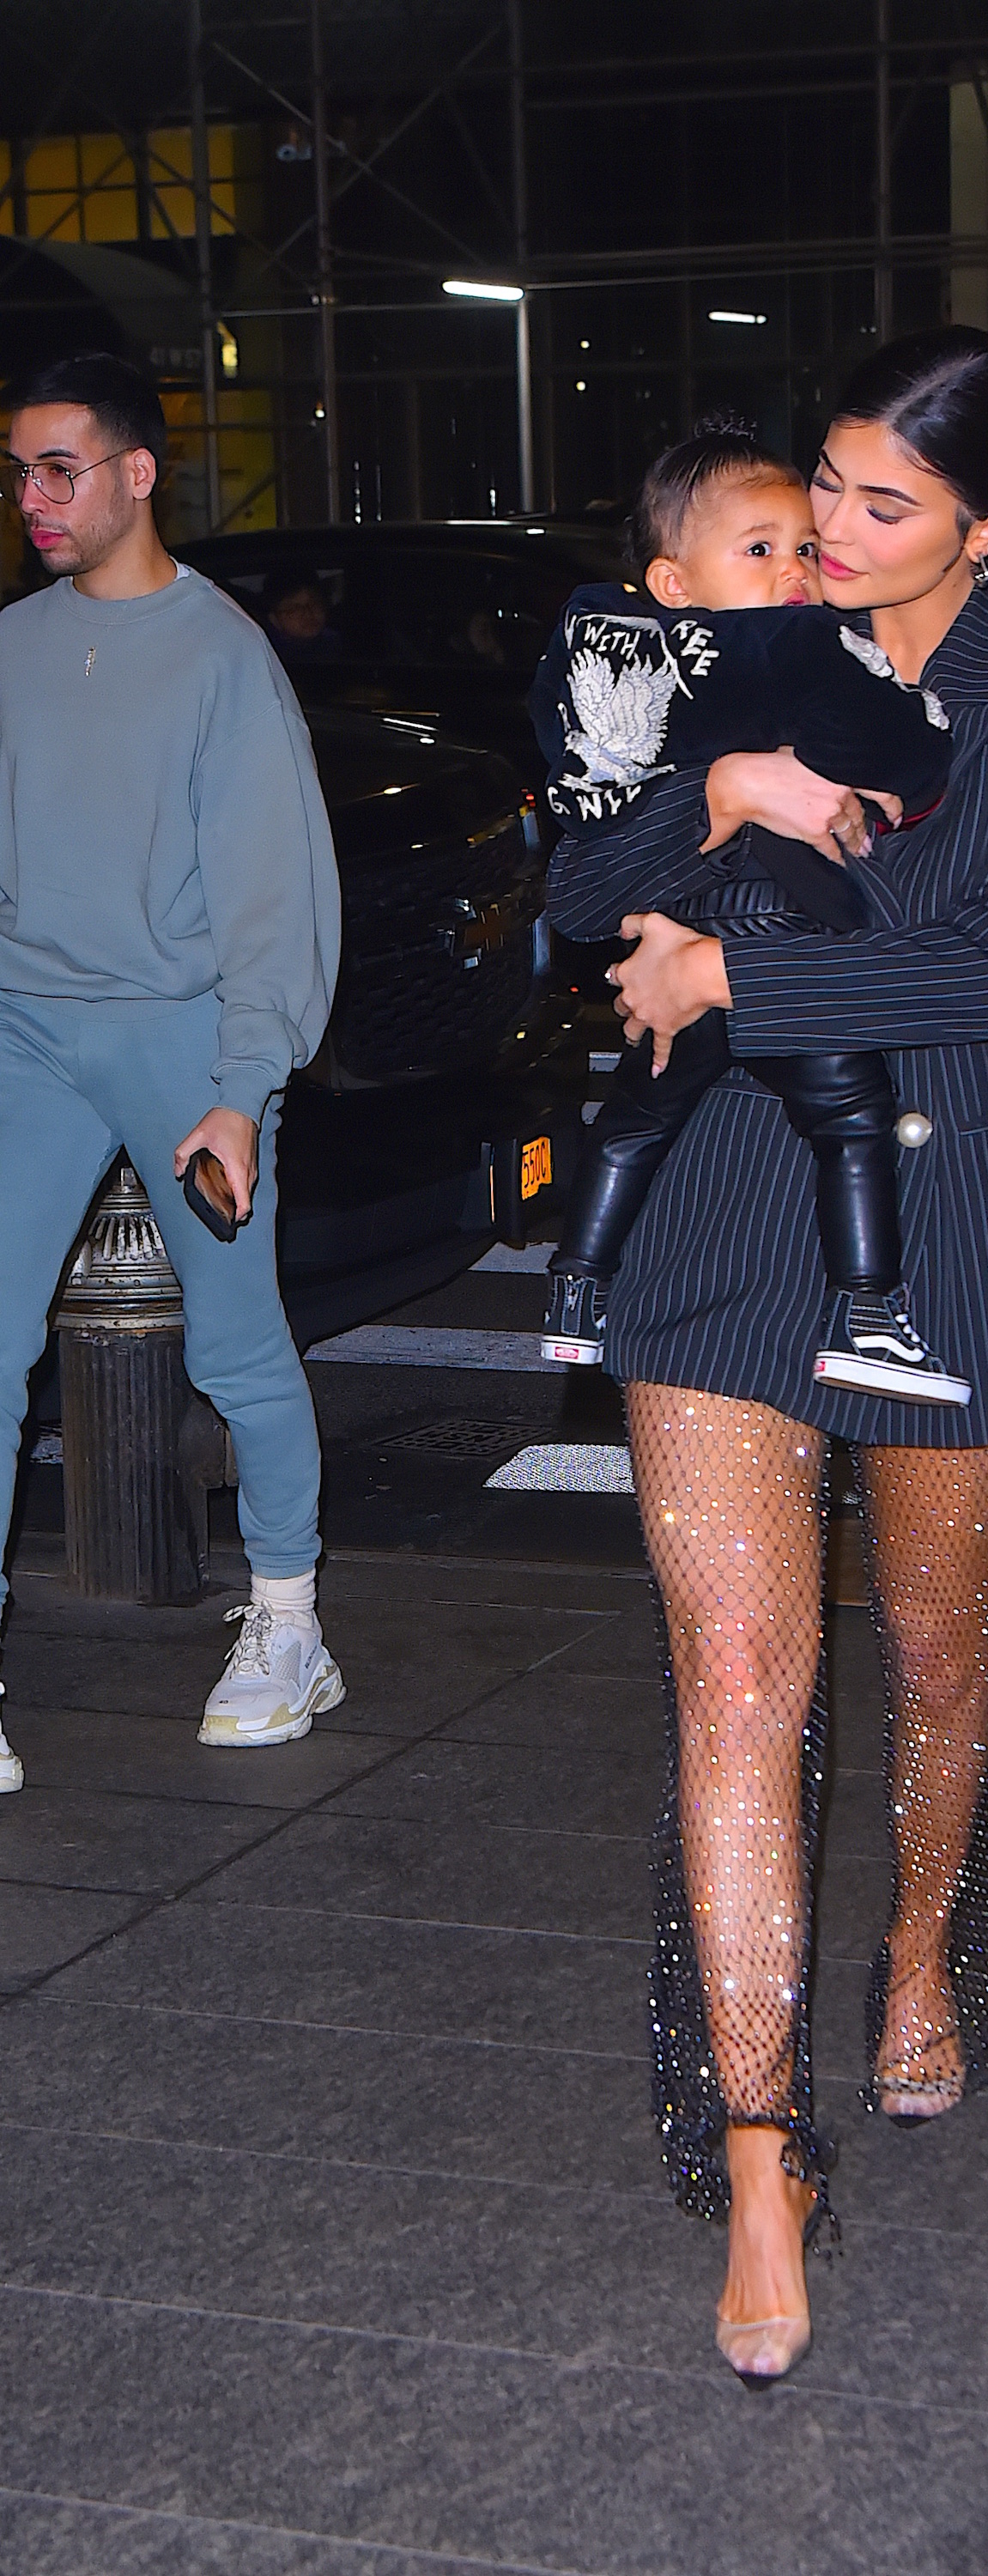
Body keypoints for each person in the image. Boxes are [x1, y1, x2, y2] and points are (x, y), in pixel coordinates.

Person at [546, 326, 988, 2385]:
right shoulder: (715, 620)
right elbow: (579, 883)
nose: (838, 536)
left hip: (948, 1202)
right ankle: (762, 2147)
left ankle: (914, 1944)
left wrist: (739, 960)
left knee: (937, 1657)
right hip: (717, 1197)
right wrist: (701, 788)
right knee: (734, 1676)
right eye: (826, 485)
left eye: (889, 508)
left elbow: (981, 962)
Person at [0, 352, 344, 1793]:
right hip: (27, 1031)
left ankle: (287, 1622)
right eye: (17, 470)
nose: (34, 497)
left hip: (186, 1036)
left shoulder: (222, 657)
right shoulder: (13, 645)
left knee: (236, 1341)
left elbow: (275, 889)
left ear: (138, 475)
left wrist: (243, 1079)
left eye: (59, 467)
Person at [532, 416, 965, 1404]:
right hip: (771, 941)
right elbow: (583, 886)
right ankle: (868, 1312)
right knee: (850, 1120)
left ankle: (574, 1285)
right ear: (673, 581)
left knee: (637, 1118)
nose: (795, 571)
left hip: (687, 951)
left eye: (802, 549)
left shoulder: (629, 666)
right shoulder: (779, 654)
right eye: (762, 550)